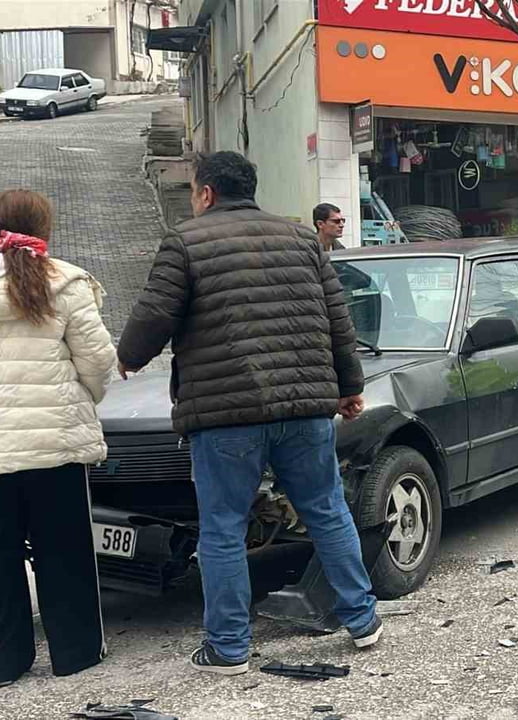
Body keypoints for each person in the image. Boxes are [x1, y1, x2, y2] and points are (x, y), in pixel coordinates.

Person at [117, 152, 382, 676]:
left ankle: (229, 648)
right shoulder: (303, 239)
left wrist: (129, 357)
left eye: (194, 190)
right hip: (305, 407)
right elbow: (338, 320)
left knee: (222, 528)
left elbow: (154, 314)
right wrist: (349, 387)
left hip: (225, 416)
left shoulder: (186, 243)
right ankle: (362, 620)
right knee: (327, 511)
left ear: (207, 193)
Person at [0, 190, 117, 689]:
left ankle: (3, 662)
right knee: (64, 552)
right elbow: (99, 360)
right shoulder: (66, 281)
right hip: (57, 446)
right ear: (44, 229)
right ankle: (76, 653)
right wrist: (81, 395)